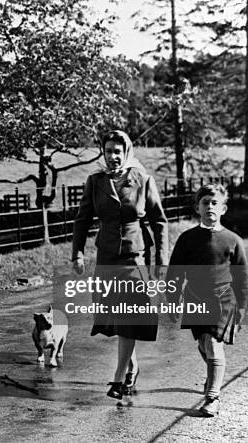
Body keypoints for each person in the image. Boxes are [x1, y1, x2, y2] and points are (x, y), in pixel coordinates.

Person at [71, 130, 168, 400]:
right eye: (108, 150)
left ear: (126, 152)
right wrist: (77, 253)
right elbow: (82, 219)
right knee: (116, 317)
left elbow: (159, 221)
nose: (113, 156)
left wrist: (162, 259)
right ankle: (131, 367)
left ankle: (117, 379)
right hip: (106, 257)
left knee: (130, 316)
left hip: (134, 257)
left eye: (118, 151)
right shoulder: (95, 181)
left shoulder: (142, 179)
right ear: (102, 152)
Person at [166, 184, 248, 417]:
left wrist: (241, 308)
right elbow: (174, 273)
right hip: (194, 299)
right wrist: (173, 301)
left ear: (223, 208)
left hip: (223, 301)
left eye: (215, 203)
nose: (210, 207)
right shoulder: (187, 238)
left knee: (213, 344)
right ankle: (214, 374)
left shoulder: (233, 240)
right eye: (205, 203)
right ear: (197, 207)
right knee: (204, 345)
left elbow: (242, 278)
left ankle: (213, 397)